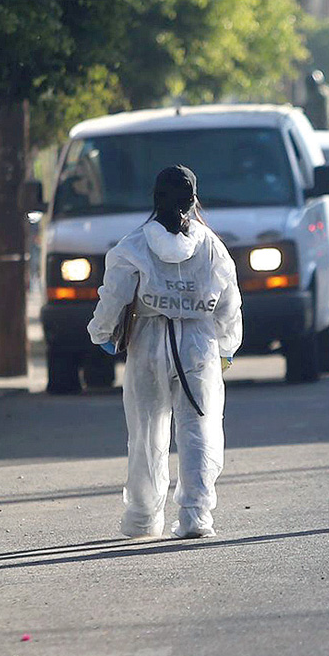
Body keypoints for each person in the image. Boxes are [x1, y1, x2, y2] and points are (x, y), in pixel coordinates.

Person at [87, 166, 242, 539]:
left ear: (155, 199)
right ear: (193, 200)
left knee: (145, 433)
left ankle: (142, 518)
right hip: (198, 347)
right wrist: (226, 347)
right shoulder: (212, 247)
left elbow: (113, 298)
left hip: (147, 345)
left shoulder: (133, 246)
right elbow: (229, 305)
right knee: (199, 429)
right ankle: (195, 516)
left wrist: (102, 334)